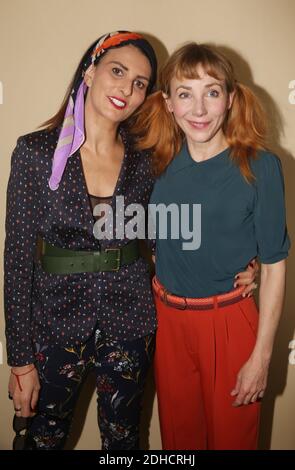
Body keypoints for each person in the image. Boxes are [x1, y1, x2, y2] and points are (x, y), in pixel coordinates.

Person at [4, 32, 256, 451]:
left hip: (131, 320)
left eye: (140, 82)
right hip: (54, 322)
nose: (127, 88)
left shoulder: (148, 156)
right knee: (44, 441)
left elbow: (175, 229)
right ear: (90, 71)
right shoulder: (35, 153)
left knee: (123, 442)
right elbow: (15, 260)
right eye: (118, 71)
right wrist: (19, 357)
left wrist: (246, 263)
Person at [131, 43, 290, 450]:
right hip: (167, 324)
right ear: (168, 103)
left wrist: (262, 357)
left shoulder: (261, 166)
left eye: (212, 92)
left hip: (230, 323)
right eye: (185, 94)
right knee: (179, 444)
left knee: (232, 440)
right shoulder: (155, 164)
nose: (199, 109)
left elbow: (274, 264)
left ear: (230, 98)